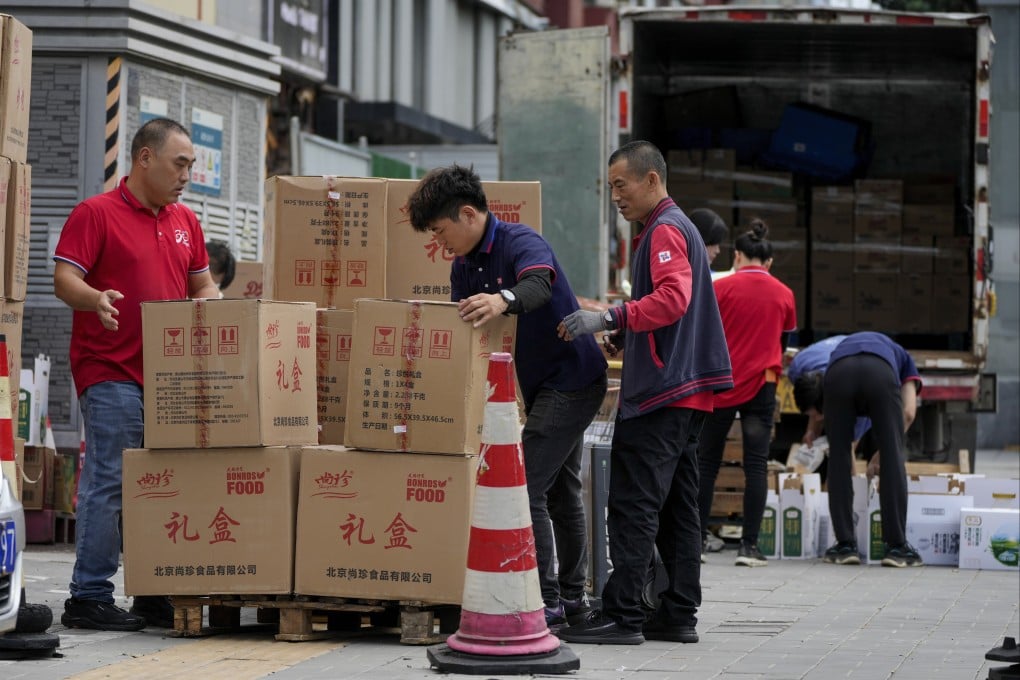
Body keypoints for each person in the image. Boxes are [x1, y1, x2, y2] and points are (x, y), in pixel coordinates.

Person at [405, 165, 608, 629]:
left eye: (440, 231)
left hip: (572, 378)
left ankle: (548, 599)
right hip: (534, 388)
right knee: (560, 490)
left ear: (469, 214)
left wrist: (503, 300)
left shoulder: (520, 241)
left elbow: (541, 284)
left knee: (525, 486)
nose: (439, 244)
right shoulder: (463, 268)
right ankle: (572, 598)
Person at [557, 141, 732, 645]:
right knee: (678, 506)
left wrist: (611, 317)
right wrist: (631, 330)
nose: (615, 196)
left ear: (651, 180)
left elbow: (674, 299)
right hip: (687, 392)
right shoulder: (678, 229)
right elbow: (673, 307)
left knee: (633, 504)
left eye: (621, 184)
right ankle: (677, 612)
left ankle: (623, 613)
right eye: (610, 186)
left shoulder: (664, 231)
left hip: (663, 393)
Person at [53, 118, 220, 630]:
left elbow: (204, 288)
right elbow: (64, 279)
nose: (187, 173)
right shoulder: (95, 214)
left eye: (191, 164)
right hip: (110, 370)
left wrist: (218, 311)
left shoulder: (184, 222)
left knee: (161, 484)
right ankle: (89, 595)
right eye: (180, 163)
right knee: (112, 477)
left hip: (169, 380)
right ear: (144, 158)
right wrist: (95, 298)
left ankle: (152, 592)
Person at [696, 220, 796, 568]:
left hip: (721, 383)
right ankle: (749, 547)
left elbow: (706, 335)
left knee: (707, 462)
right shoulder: (784, 294)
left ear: (737, 256)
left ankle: (696, 543)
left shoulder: (720, 290)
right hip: (762, 386)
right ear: (768, 262)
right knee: (755, 465)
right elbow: (784, 344)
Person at [791, 332, 923, 568]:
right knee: (893, 457)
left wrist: (813, 429)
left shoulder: (836, 355)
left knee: (839, 455)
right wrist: (882, 452)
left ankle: (845, 546)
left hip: (838, 373)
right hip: (879, 374)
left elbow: (841, 441)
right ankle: (896, 547)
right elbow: (909, 413)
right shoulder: (905, 359)